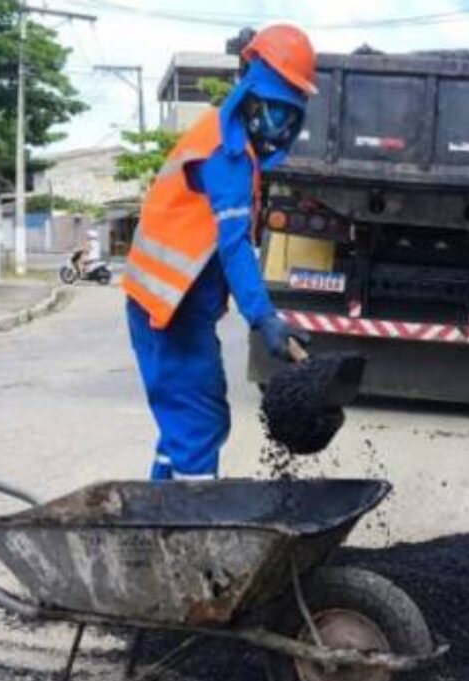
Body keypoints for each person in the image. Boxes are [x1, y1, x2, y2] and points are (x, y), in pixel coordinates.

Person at [124, 24, 316, 480]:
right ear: (249, 97)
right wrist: (263, 318)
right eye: (270, 112)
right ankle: (192, 532)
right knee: (198, 423)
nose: (278, 127)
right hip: (167, 312)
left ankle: (157, 514)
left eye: (288, 117)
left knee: (188, 423)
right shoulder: (225, 152)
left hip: (176, 309)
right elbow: (235, 247)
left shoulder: (230, 141)